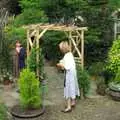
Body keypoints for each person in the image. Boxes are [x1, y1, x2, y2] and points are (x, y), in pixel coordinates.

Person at [56, 41, 80, 113]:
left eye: (61, 48)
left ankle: (68, 107)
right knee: (72, 87)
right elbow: (65, 61)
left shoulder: (67, 56)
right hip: (73, 74)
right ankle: (73, 103)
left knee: (68, 89)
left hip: (69, 75)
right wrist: (62, 62)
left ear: (63, 48)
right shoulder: (70, 54)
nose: (60, 50)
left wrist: (60, 65)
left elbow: (67, 67)